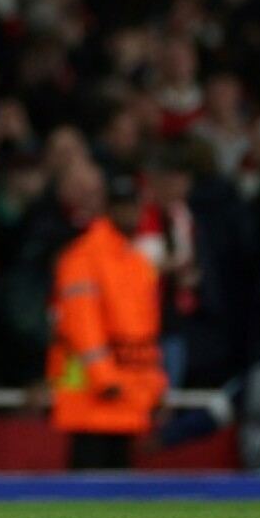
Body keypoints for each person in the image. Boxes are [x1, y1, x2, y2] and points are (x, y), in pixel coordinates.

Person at [47, 171, 167, 470]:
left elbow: (146, 332)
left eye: (133, 205)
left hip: (127, 395)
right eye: (122, 205)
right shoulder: (82, 257)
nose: (129, 213)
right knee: (89, 491)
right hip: (92, 395)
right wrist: (104, 378)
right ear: (109, 209)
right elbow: (82, 326)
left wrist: (153, 385)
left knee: (119, 498)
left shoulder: (138, 263)